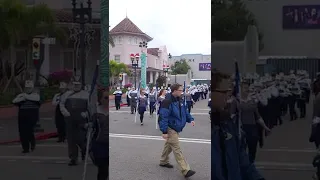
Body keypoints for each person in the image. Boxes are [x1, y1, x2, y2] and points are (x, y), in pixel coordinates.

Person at [211, 70, 265, 180]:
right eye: (224, 92)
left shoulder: (228, 124)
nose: (228, 95)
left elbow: (242, 160)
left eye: (229, 91)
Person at [158, 83, 196, 178]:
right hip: (171, 128)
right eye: (180, 90)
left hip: (176, 127)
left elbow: (185, 112)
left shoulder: (180, 100)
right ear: (174, 91)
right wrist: (164, 131)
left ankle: (163, 161)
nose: (181, 91)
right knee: (176, 148)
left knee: (169, 146)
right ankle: (185, 170)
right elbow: (163, 116)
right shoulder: (167, 101)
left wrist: (190, 119)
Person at [60, 80, 93, 166]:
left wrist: (86, 114)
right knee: (71, 140)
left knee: (81, 138)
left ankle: (84, 151)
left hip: (81, 120)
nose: (76, 86)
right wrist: (65, 112)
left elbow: (90, 107)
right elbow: (61, 104)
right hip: (70, 119)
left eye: (78, 84)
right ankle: (73, 158)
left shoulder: (86, 95)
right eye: (75, 84)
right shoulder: (66, 94)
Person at [12, 80, 40, 153]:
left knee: (29, 131)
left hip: (32, 116)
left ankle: (32, 142)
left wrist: (26, 97)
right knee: (22, 133)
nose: (28, 89)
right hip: (22, 116)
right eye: (27, 88)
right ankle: (25, 148)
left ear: (32, 88)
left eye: (29, 88)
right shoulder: (21, 95)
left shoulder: (35, 95)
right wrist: (22, 97)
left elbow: (37, 99)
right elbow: (14, 101)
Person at [90, 89, 109, 180]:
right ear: (100, 99)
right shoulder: (95, 112)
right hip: (100, 144)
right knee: (103, 170)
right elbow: (91, 128)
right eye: (106, 98)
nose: (108, 100)